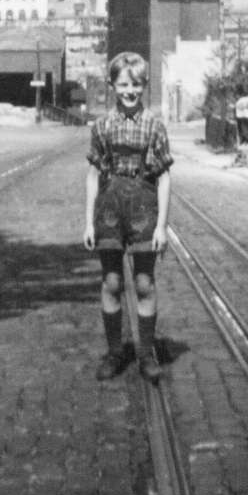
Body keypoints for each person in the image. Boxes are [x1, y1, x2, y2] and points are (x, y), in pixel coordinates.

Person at [83, 50, 173, 383]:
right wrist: (88, 221)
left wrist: (162, 226)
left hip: (144, 210)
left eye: (135, 85)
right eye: (123, 85)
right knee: (111, 282)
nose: (129, 91)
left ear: (144, 85)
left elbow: (164, 177)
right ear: (112, 86)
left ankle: (145, 354)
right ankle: (114, 352)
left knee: (144, 283)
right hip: (109, 210)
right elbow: (93, 175)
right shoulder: (102, 126)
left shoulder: (154, 126)